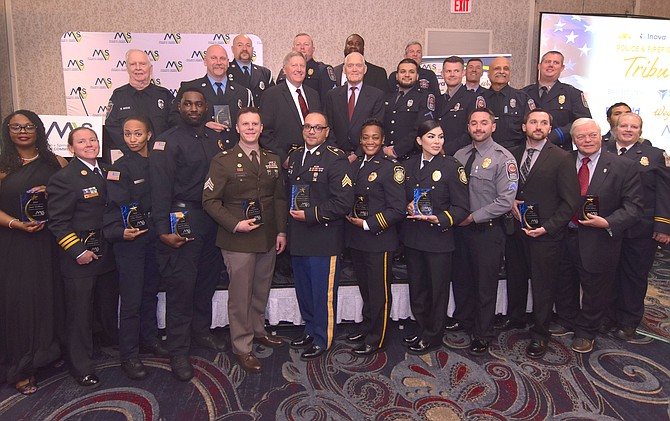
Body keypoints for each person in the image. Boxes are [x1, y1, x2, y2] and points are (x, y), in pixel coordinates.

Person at [203, 107, 287, 373]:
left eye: (255, 124)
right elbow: (210, 200)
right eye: (245, 124)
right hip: (237, 239)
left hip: (267, 237)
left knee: (260, 289)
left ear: (261, 128)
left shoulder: (272, 159)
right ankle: (242, 346)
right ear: (237, 128)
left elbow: (279, 199)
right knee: (240, 295)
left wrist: (282, 231)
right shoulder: (223, 160)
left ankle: (258, 330)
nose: (251, 128)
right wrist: (234, 224)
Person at [150, 87, 226, 381]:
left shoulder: (213, 139)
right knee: (181, 287)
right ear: (178, 107)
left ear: (207, 107)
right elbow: (159, 190)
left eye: (199, 104)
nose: (193, 109)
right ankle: (178, 351)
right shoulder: (166, 141)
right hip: (182, 218)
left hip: (212, 218)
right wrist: (162, 230)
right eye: (188, 104)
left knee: (206, 281)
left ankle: (201, 332)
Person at [553, 118, 643, 354]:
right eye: (580, 137)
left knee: (595, 288)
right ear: (573, 140)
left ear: (601, 136)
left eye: (592, 135)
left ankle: (586, 331)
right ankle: (566, 319)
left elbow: (634, 207)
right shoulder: (564, 161)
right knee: (564, 281)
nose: (587, 140)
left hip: (599, 238)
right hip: (565, 234)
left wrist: (608, 222)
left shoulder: (623, 166)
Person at [503, 109, 580, 359]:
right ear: (524, 126)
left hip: (545, 234)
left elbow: (570, 202)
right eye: (533, 122)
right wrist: (510, 201)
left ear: (550, 128)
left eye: (543, 123)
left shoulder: (562, 157)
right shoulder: (511, 154)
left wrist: (548, 227)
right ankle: (515, 319)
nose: (538, 126)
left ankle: (540, 333)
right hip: (515, 230)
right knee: (515, 277)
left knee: (543, 286)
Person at [0, 110, 66, 395]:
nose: (22, 131)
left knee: (50, 296)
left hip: (50, 241)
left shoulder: (57, 162)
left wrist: (54, 192)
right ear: (8, 131)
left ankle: (46, 355)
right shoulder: (3, 165)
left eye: (28, 126)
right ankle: (21, 366)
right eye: (16, 127)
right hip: (15, 241)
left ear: (38, 129)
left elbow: (72, 196)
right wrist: (16, 224)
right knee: (21, 303)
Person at [47, 127, 117, 387]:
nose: (89, 144)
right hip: (80, 258)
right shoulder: (64, 177)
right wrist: (78, 251)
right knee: (79, 314)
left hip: (108, 254)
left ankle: (107, 344)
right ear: (71, 148)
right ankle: (81, 366)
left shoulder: (110, 171)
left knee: (105, 307)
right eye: (82, 141)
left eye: (93, 140)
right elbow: (58, 222)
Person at [102, 115, 167, 380]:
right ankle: (129, 354)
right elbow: (115, 207)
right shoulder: (119, 168)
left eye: (137, 134)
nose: (132, 139)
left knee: (150, 292)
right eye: (128, 134)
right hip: (130, 240)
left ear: (149, 135)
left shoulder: (160, 162)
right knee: (130, 299)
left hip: (154, 238)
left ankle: (149, 339)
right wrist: (121, 232)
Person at [286, 112, 354, 360]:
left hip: (324, 237)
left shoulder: (336, 159)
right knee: (304, 290)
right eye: (307, 127)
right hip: (299, 235)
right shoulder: (294, 157)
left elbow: (343, 202)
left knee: (321, 293)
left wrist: (312, 215)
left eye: (317, 128)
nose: (311, 132)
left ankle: (322, 338)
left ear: (327, 132)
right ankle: (309, 328)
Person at [450, 108, 517, 356]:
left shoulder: (504, 159)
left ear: (493, 126)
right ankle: (464, 319)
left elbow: (505, 201)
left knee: (485, 285)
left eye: (484, 123)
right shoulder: (459, 154)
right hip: (461, 229)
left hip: (487, 231)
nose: (479, 127)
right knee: (462, 279)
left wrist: (472, 217)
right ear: (468, 127)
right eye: (474, 123)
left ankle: (482, 332)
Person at [401, 120, 469, 355]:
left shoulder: (452, 166)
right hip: (413, 238)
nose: (436, 141)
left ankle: (433, 334)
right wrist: (406, 207)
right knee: (417, 288)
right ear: (419, 141)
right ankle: (421, 327)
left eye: (440, 136)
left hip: (438, 239)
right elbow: (398, 198)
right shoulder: (407, 166)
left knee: (437, 290)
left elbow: (462, 207)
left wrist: (440, 219)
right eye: (430, 137)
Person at [604, 113, 670, 342]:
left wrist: (663, 225)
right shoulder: (604, 150)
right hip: (609, 225)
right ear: (615, 127)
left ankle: (628, 321)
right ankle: (608, 316)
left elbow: (664, 192)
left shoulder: (654, 155)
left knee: (634, 275)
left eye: (634, 127)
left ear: (640, 131)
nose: (629, 130)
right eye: (624, 125)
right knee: (609, 273)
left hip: (641, 228)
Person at [345, 118, 406, 356]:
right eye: (366, 137)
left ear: (382, 141)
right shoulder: (355, 165)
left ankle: (377, 337)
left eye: (375, 138)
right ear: (360, 140)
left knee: (379, 291)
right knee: (366, 289)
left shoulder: (392, 168)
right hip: (357, 238)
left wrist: (369, 223)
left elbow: (398, 209)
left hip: (378, 238)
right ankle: (367, 325)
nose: (370, 141)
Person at [172, 44, 253, 151]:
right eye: (213, 58)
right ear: (205, 61)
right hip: (199, 151)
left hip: (234, 154)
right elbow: (174, 119)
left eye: (222, 59)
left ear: (228, 62)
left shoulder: (243, 92)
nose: (218, 62)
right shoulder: (189, 89)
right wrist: (201, 126)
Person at [104, 49, 177, 155]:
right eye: (133, 64)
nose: (138, 68)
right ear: (127, 69)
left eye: (142, 64)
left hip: (161, 157)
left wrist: (163, 148)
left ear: (150, 69)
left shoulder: (164, 95)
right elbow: (112, 127)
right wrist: (131, 150)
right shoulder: (118, 96)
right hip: (131, 159)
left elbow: (175, 125)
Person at [259, 51, 322, 166]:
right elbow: (265, 133)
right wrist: (283, 159)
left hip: (314, 161)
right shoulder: (271, 95)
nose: (299, 69)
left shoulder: (313, 95)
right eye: (294, 66)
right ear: (284, 70)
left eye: (302, 66)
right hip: (285, 163)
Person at [522, 51, 592, 151]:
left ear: (562, 68)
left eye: (556, 63)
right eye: (547, 62)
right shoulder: (524, 93)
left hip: (560, 149)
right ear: (539, 66)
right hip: (529, 148)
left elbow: (584, 121)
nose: (551, 65)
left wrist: (557, 134)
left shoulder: (573, 93)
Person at [325, 52, 384, 161]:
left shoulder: (376, 96)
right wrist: (337, 152)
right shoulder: (332, 95)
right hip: (336, 157)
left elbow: (376, 129)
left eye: (359, 65)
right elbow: (329, 126)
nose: (354, 69)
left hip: (365, 156)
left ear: (365, 69)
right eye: (350, 65)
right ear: (344, 69)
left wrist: (357, 154)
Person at [382, 59, 435, 161]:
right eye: (403, 72)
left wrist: (397, 150)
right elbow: (380, 125)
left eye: (411, 72)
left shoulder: (424, 97)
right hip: (386, 156)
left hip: (411, 157)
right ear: (397, 76)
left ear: (417, 76)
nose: (407, 75)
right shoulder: (387, 98)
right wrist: (383, 148)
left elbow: (421, 129)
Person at [479, 56, 532, 150]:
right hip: (484, 150)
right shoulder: (479, 98)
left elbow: (530, 127)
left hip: (515, 151)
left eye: (506, 69)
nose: (502, 72)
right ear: (488, 74)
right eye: (497, 68)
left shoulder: (522, 98)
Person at [275, 33, 337, 108]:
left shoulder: (322, 70)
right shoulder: (285, 70)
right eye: (298, 44)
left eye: (306, 44)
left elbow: (327, 102)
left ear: (313, 49)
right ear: (293, 49)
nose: (302, 47)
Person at [436, 56, 479, 155]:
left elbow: (472, 132)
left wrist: (445, 150)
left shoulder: (472, 98)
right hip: (437, 154)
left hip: (462, 155)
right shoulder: (438, 100)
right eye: (448, 71)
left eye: (456, 71)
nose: (452, 74)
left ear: (463, 73)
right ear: (442, 74)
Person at [227, 34, 275, 105]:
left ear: (252, 49)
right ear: (233, 49)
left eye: (248, 45)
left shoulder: (265, 73)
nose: (244, 49)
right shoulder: (225, 71)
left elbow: (273, 100)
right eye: (240, 45)